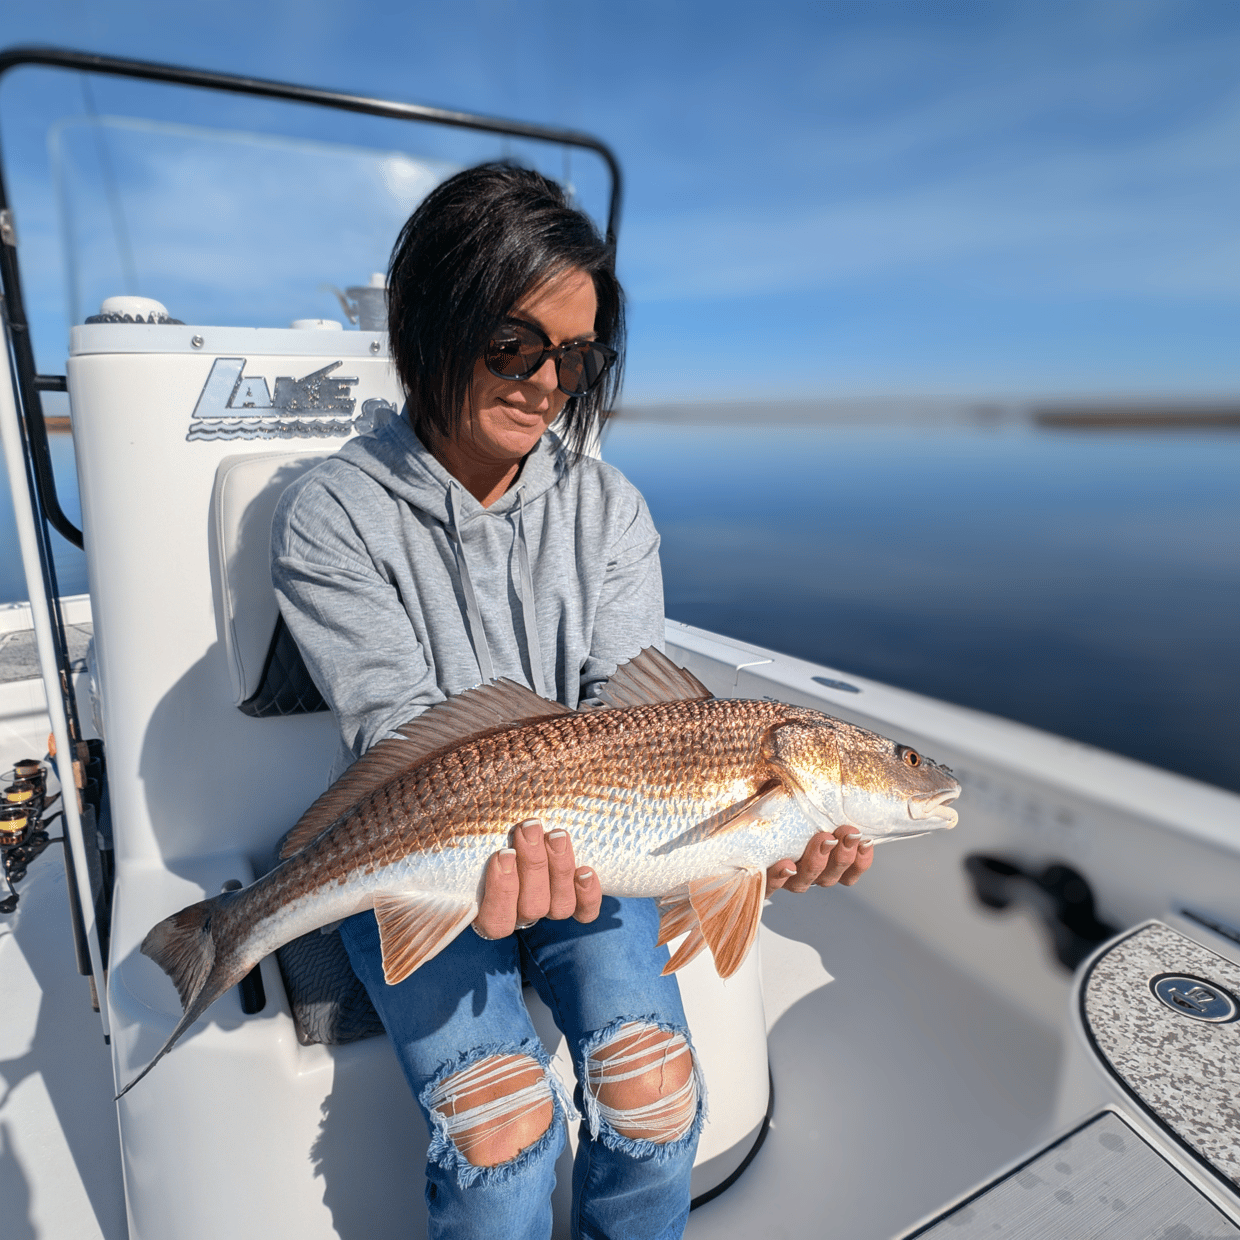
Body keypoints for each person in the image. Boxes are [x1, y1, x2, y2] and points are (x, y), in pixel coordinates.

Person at [271, 163, 874, 1240]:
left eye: (576, 356)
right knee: (498, 1128)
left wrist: (750, 846)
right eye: (513, 344)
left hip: (596, 840)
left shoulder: (609, 509)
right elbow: (400, 730)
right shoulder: (332, 515)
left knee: (656, 1090)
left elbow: (631, 709)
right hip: (427, 844)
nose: (546, 382)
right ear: (433, 321)